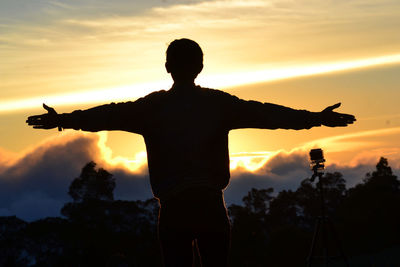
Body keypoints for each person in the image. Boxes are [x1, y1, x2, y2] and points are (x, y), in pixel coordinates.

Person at [26, 38, 356, 266]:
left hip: (174, 211)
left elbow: (107, 114)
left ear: (168, 66)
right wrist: (316, 118)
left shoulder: (152, 108)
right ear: (200, 66)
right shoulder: (218, 104)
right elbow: (269, 114)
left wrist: (64, 120)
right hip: (211, 208)